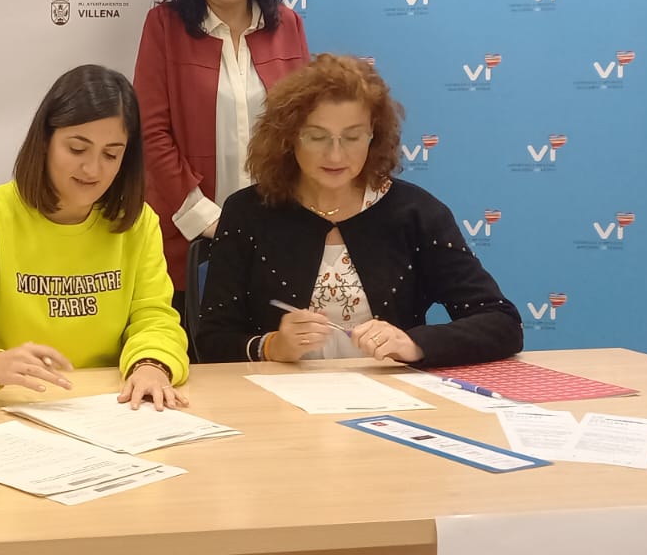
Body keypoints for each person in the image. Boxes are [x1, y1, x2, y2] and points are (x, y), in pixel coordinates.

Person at [196, 55, 523, 366]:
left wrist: (414, 344)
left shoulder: (417, 213)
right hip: (273, 397)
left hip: (393, 395)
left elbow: (502, 322)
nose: (335, 155)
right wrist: (270, 346)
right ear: (289, 138)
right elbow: (211, 341)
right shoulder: (247, 213)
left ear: (373, 137)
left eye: (352, 137)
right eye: (317, 137)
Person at [0, 65, 189, 411]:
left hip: (110, 406)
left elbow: (155, 318)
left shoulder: (138, 223)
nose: (93, 170)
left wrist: (152, 364)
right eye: (77, 149)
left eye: (111, 154)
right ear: (45, 142)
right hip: (10, 404)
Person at [134, 0, 311, 325]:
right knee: (191, 349)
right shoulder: (164, 26)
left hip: (276, 233)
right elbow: (151, 133)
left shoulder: (286, 25)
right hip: (188, 235)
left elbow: (305, 126)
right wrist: (206, 218)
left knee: (270, 351)